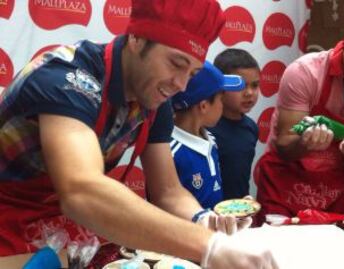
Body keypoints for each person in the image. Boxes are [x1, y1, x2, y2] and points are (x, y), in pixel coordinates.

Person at [0, 0, 279, 268]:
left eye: (191, 73)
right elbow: (80, 189)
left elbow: (168, 191)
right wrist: (209, 246)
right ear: (136, 39)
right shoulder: (67, 77)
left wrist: (202, 219)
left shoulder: (154, 100)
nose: (181, 85)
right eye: (176, 63)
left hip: (58, 232)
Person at [254, 0, 344, 225]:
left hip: (340, 193)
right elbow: (283, 146)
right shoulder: (306, 72)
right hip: (286, 186)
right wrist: (304, 143)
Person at [170, 61, 245, 209]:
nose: (223, 107)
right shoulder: (169, 152)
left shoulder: (211, 139)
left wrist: (234, 210)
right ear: (204, 106)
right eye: (221, 100)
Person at [209, 49, 260, 199]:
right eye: (241, 85)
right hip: (210, 215)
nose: (249, 93)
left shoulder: (251, 128)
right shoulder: (205, 128)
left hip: (239, 211)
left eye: (255, 85)